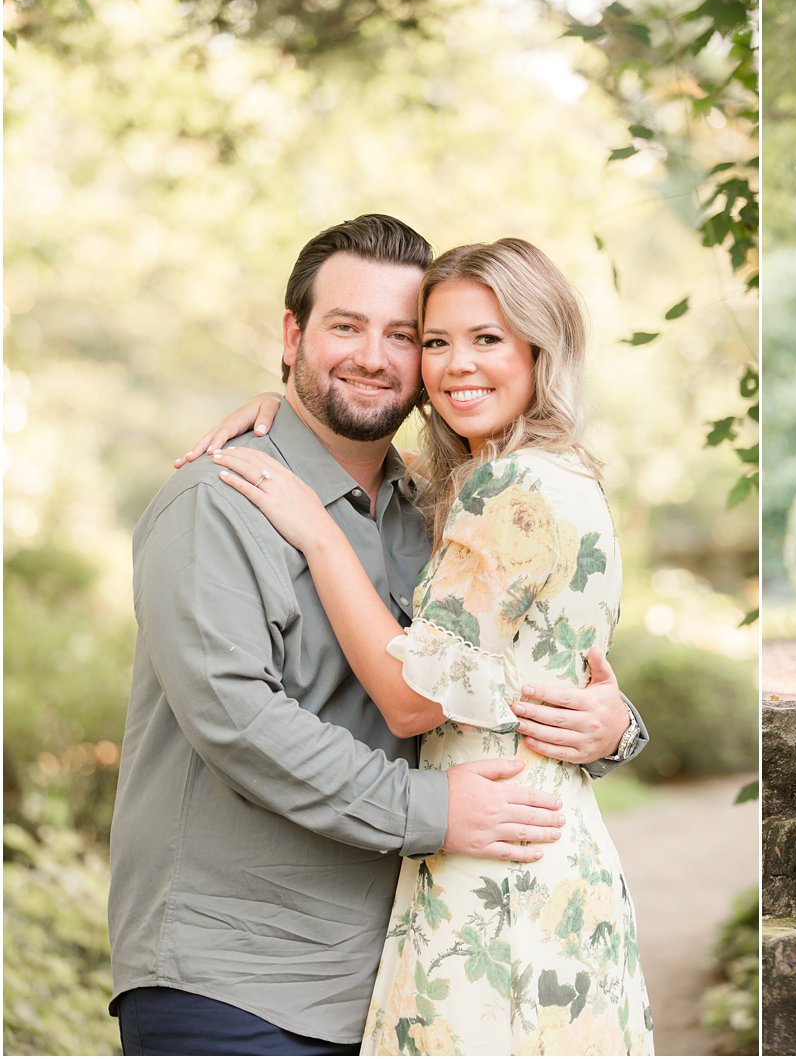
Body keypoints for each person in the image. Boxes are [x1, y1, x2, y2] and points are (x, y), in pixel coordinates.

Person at [109, 216, 648, 1056]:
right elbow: (236, 720)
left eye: (405, 335)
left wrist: (614, 728)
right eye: (345, 326)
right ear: (292, 337)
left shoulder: (436, 509)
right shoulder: (216, 502)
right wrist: (436, 810)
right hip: (239, 984)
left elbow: (494, 673)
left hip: (405, 976)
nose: (375, 356)